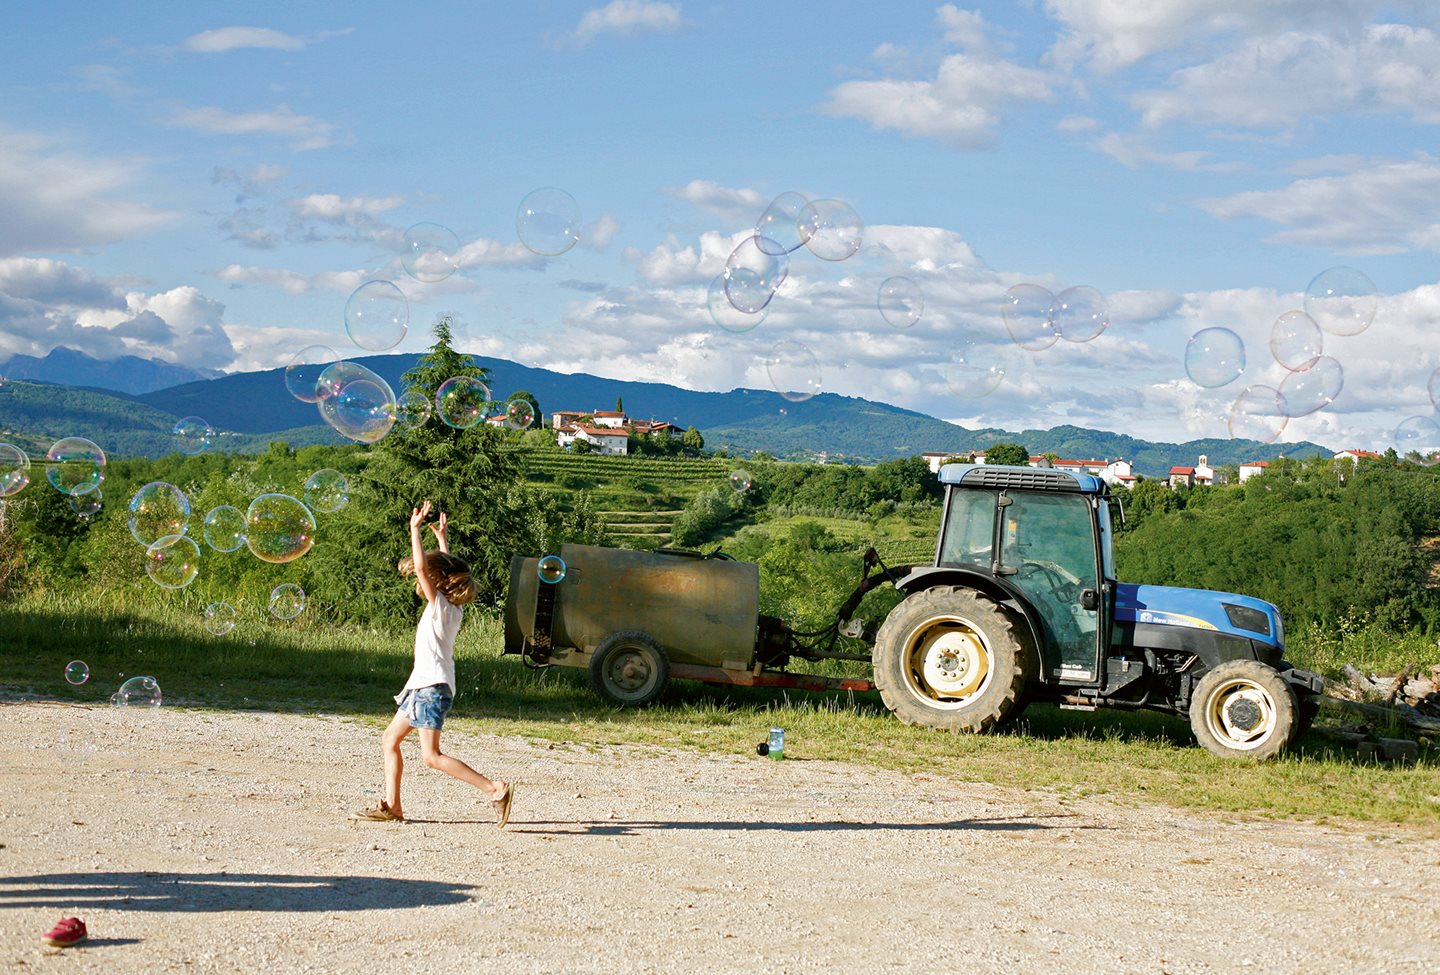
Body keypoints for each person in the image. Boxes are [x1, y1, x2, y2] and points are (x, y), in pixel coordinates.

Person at [352, 501, 514, 827]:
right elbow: (446, 568)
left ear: (442, 582)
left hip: (431, 688)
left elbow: (425, 570)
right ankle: (393, 807)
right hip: (422, 685)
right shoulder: (454, 608)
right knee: (390, 740)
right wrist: (442, 538)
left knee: (431, 757)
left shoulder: (439, 604)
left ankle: (495, 789)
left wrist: (414, 530)